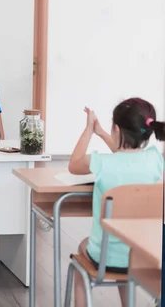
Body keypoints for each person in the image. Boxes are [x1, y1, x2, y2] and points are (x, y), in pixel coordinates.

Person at [68, 98, 164, 306]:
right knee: (127, 252)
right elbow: (126, 157)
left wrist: (89, 130)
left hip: (107, 257)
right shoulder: (156, 160)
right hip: (144, 256)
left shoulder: (102, 163)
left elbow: (74, 164)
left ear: (117, 129)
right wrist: (102, 132)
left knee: (80, 254)